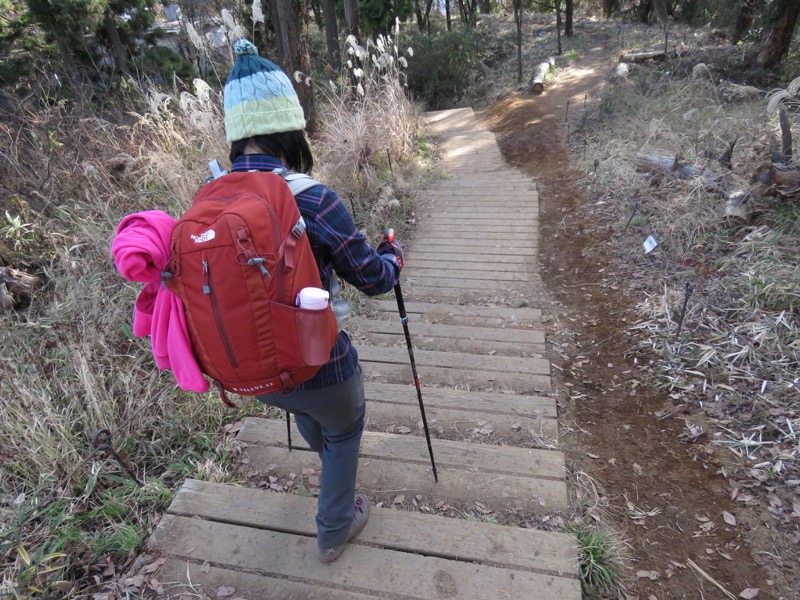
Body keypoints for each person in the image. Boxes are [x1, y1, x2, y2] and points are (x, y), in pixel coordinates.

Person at [222, 39, 404, 563]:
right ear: (290, 129)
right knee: (344, 425)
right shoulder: (313, 197)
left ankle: (332, 479)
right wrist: (394, 256)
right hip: (318, 365)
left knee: (309, 405)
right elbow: (372, 278)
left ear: (236, 133)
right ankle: (333, 529)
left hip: (253, 373)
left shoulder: (213, 199)